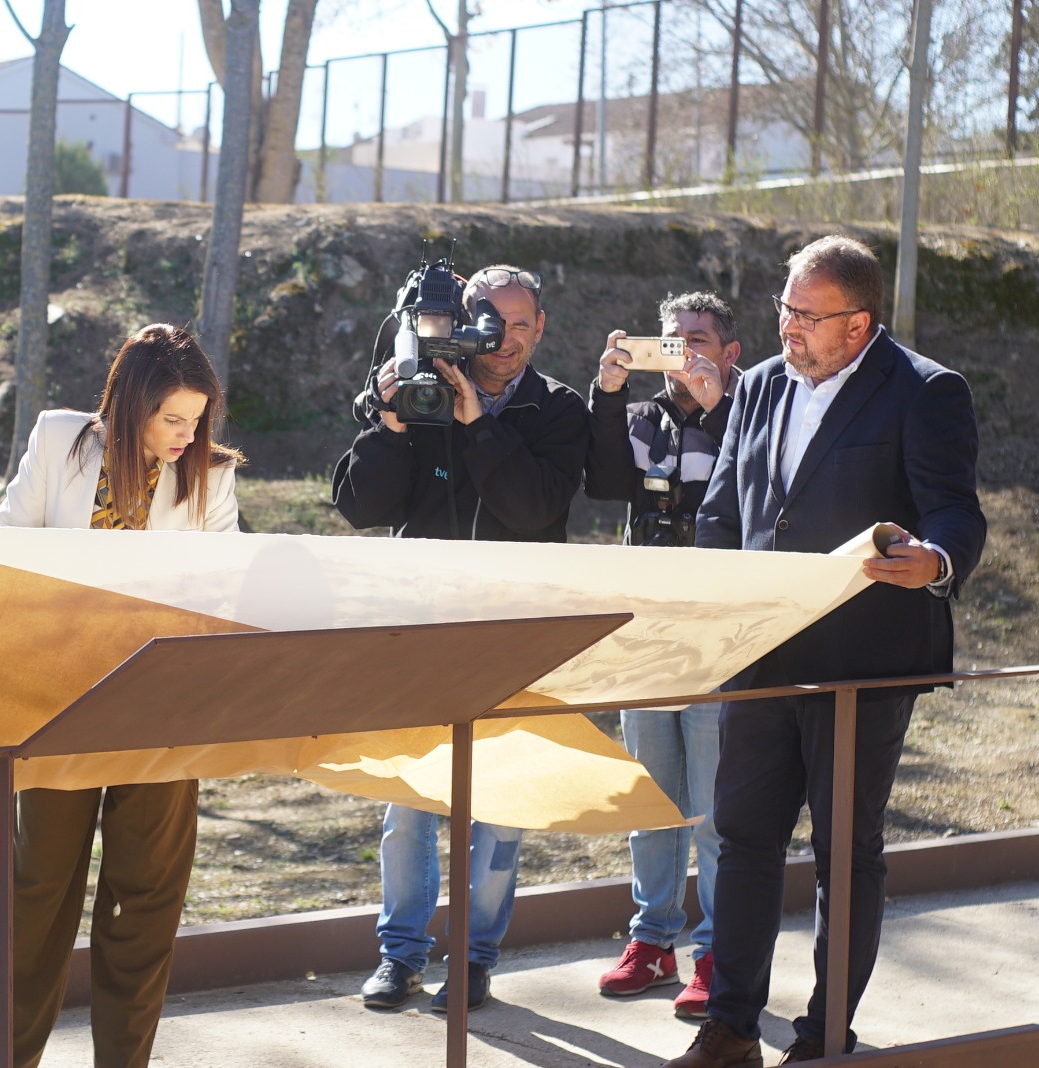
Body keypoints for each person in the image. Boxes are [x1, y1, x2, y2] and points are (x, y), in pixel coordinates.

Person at [665, 235, 985, 1068]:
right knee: (743, 840)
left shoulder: (924, 391)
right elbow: (726, 511)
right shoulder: (762, 385)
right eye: (783, 308)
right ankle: (730, 1026)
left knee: (845, 853)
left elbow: (955, 512)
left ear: (860, 323)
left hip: (862, 665)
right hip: (761, 657)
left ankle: (824, 1034)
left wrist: (935, 561)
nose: (787, 328)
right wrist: (709, 605)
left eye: (807, 315)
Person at [0, 323, 242, 1068]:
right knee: (36, 896)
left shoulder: (211, 476)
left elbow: (220, 594)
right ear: (130, 406)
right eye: (173, 419)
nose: (188, 436)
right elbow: (6, 555)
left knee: (144, 904)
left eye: (198, 419)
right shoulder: (60, 439)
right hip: (58, 705)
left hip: (161, 715)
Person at [332, 264, 591, 1014]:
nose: (504, 341)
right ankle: (400, 955)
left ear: (541, 327)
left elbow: (535, 505)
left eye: (520, 325)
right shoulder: (420, 390)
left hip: (518, 634)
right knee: (409, 806)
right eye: (491, 323)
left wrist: (478, 423)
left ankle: (474, 959)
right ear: (460, 322)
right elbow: (358, 506)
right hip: (422, 632)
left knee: (500, 812)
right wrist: (391, 424)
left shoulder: (558, 410)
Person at [583, 292, 741, 1018]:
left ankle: (718, 950)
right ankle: (652, 941)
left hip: (717, 637)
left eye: (700, 340)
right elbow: (607, 482)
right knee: (651, 801)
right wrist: (608, 393)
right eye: (673, 340)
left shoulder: (750, 416)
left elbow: (750, 496)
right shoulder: (643, 421)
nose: (685, 353)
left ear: (730, 352)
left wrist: (715, 412)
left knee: (712, 809)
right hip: (645, 637)